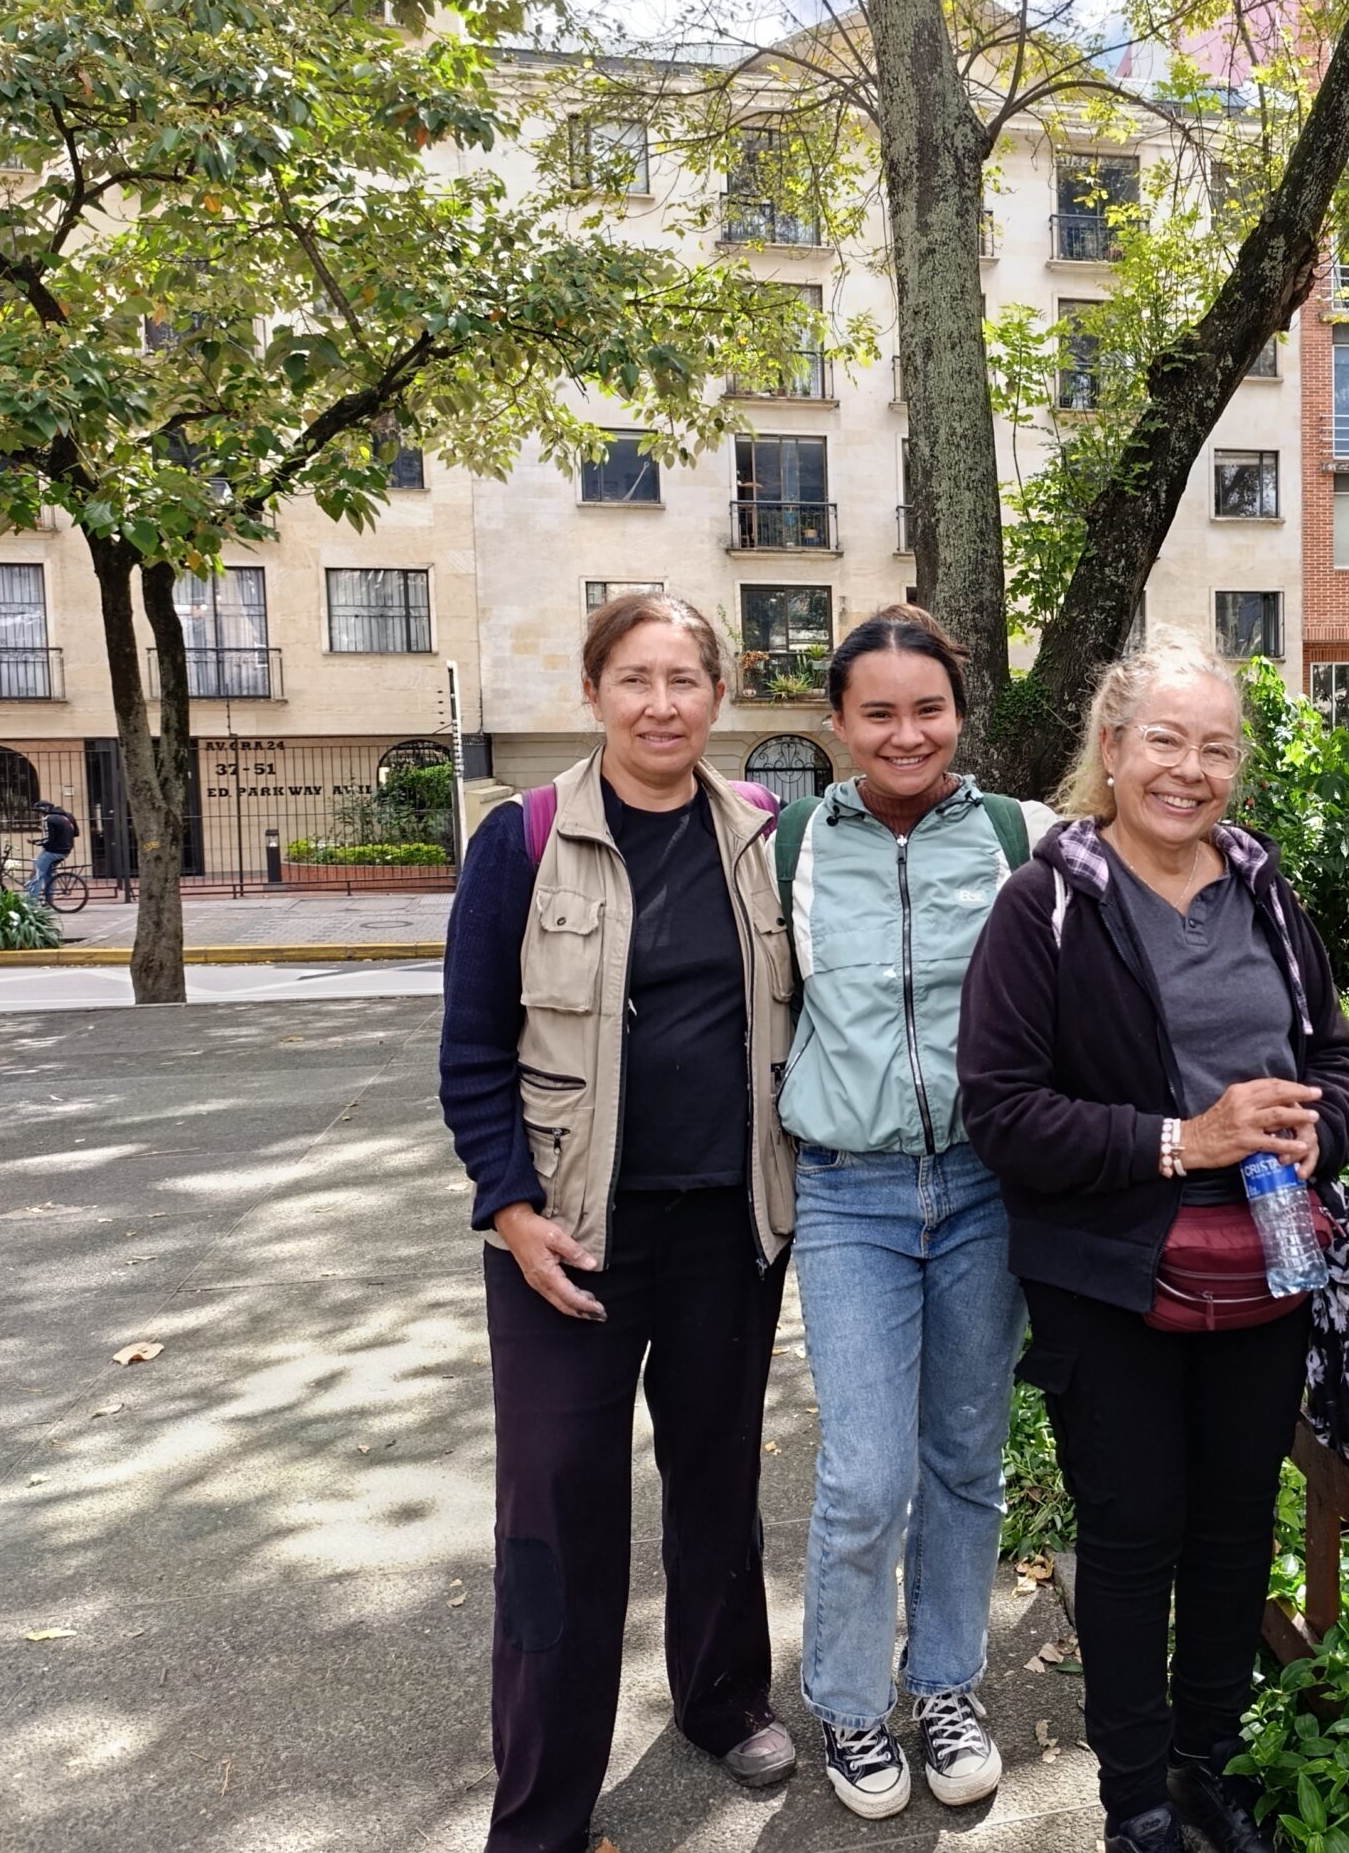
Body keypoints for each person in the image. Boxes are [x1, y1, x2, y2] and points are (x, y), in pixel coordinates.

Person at [958, 627, 1349, 1853]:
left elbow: (1333, 1054)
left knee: (1234, 1528)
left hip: (1267, 1263)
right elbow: (1003, 1112)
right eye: (1165, 741)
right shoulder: (1046, 904)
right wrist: (1185, 1139)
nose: (1190, 770)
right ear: (1111, 745)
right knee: (1133, 1537)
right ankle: (1134, 1801)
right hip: (1112, 1275)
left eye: (1217, 748)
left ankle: (1208, 1769)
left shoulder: (1264, 890)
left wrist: (1323, 1129)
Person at [438, 592, 800, 1853]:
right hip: (567, 1238)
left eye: (683, 679)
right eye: (634, 679)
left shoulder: (761, 834)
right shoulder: (523, 838)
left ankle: (722, 1696)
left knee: (717, 1478)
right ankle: (542, 1800)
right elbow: (471, 1048)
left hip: (725, 1232)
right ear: (592, 692)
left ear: (718, 694)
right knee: (554, 1507)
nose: (660, 704)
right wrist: (511, 1209)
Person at [776, 605, 1049, 1821]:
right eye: (877, 711)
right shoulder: (787, 847)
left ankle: (944, 1684)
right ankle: (847, 1699)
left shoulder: (1015, 837)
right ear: (837, 722)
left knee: (964, 1456)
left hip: (986, 1186)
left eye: (927, 708)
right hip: (850, 1188)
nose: (906, 732)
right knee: (866, 1471)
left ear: (959, 713)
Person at [31, 799, 77, 898]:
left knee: (37, 874)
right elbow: (76, 833)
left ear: (45, 809)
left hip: (52, 851)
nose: (39, 815)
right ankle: (49, 900)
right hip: (66, 850)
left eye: (39, 812)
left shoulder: (48, 819)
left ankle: (31, 901)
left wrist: (36, 842)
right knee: (49, 873)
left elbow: (48, 839)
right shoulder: (68, 816)